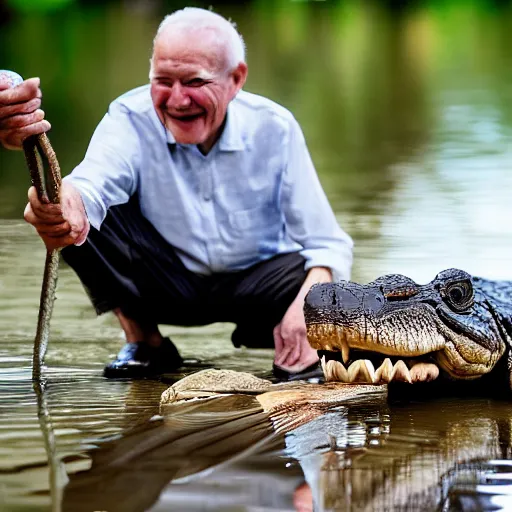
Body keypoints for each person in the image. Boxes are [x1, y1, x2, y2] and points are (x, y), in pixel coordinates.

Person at [0, 7, 353, 379]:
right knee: (84, 219)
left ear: (236, 79)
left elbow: (328, 244)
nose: (177, 99)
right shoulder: (129, 118)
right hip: (163, 284)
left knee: (319, 279)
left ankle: (294, 343)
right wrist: (62, 208)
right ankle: (145, 341)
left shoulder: (276, 128)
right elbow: (89, 185)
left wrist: (305, 313)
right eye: (163, 80)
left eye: (195, 82)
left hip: (258, 289)